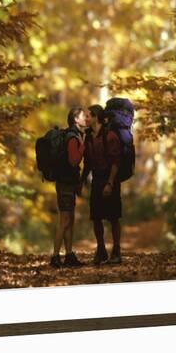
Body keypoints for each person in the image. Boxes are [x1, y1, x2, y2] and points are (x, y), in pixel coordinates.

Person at [80, 104, 122, 265]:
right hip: (97, 180)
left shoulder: (110, 136)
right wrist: (82, 181)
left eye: (88, 115)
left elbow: (116, 162)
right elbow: (87, 163)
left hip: (110, 179)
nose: (86, 118)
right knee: (96, 217)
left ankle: (116, 251)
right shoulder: (89, 137)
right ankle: (101, 250)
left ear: (96, 117)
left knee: (113, 217)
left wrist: (110, 184)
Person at [50, 107, 87, 268]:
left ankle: (69, 255)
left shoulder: (75, 135)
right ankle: (55, 256)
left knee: (70, 220)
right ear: (75, 120)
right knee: (64, 221)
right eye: (82, 116)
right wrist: (83, 147)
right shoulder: (72, 138)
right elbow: (73, 161)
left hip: (68, 183)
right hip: (65, 184)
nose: (86, 118)